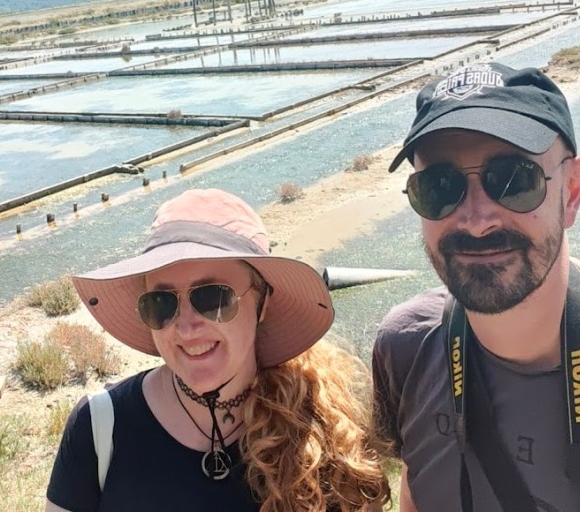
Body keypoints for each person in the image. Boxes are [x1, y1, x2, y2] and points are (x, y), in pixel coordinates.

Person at [372, 61, 580, 511]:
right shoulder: (405, 346)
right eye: (439, 186)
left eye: (514, 180)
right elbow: (417, 485)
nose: (477, 220)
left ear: (573, 189)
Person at [46, 187, 390, 512]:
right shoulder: (99, 427)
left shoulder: (326, 432)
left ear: (263, 302)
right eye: (161, 303)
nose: (185, 327)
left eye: (212, 298)